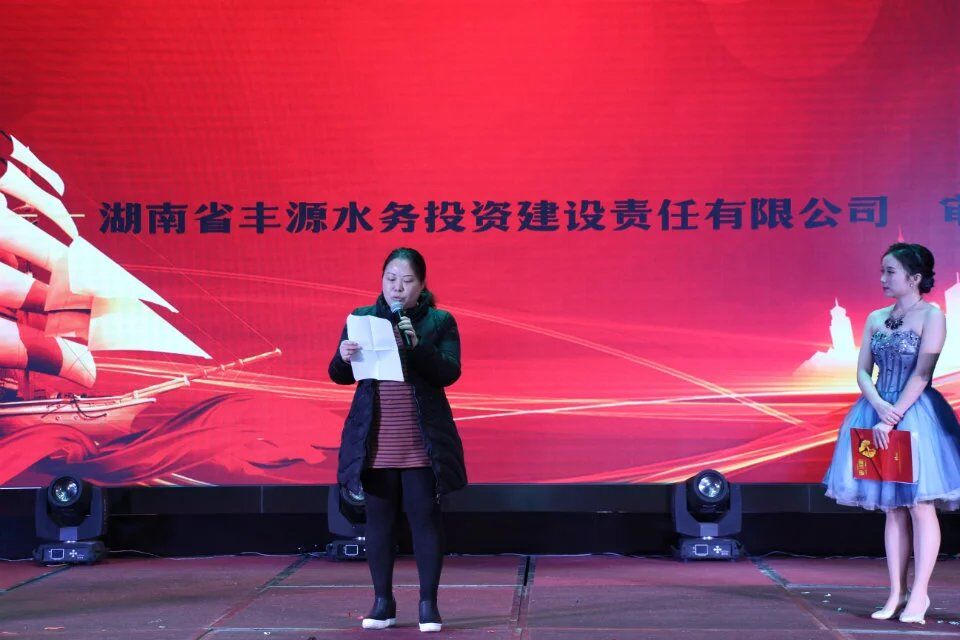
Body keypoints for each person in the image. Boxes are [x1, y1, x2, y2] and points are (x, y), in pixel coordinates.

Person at [329, 247, 467, 632]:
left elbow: (449, 372)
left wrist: (416, 345)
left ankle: (428, 604)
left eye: (407, 281)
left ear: (421, 285)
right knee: (379, 521)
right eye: (391, 279)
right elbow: (339, 375)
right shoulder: (361, 319)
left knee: (425, 518)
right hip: (376, 436)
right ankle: (382, 603)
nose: (397, 288)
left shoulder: (440, 321)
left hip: (421, 438)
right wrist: (343, 356)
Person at [823, 242, 960, 625]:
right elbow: (863, 371)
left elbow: (922, 374)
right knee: (892, 508)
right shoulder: (875, 318)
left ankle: (920, 594)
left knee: (920, 505)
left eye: (890, 272)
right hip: (877, 412)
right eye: (882, 271)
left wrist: (893, 414)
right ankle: (896, 593)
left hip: (916, 415)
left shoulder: (932, 316)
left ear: (914, 278)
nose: (883, 278)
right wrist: (879, 407)